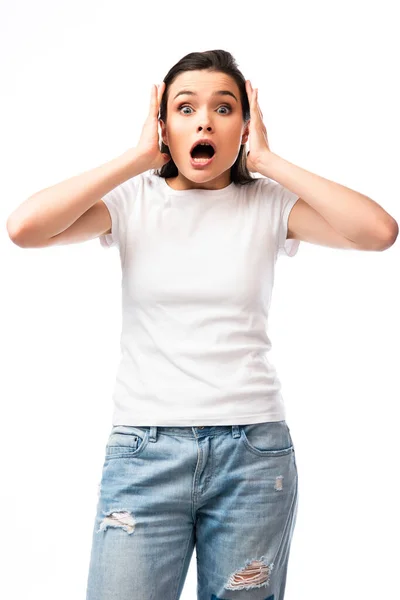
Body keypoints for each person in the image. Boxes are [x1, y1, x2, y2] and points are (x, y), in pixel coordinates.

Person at [11, 47, 396, 600]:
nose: (205, 121)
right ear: (164, 125)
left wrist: (268, 162)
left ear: (243, 124)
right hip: (146, 450)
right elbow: (24, 228)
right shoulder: (130, 202)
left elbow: (378, 232)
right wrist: (135, 157)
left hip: (253, 456)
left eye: (224, 107)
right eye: (186, 108)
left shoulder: (267, 204)